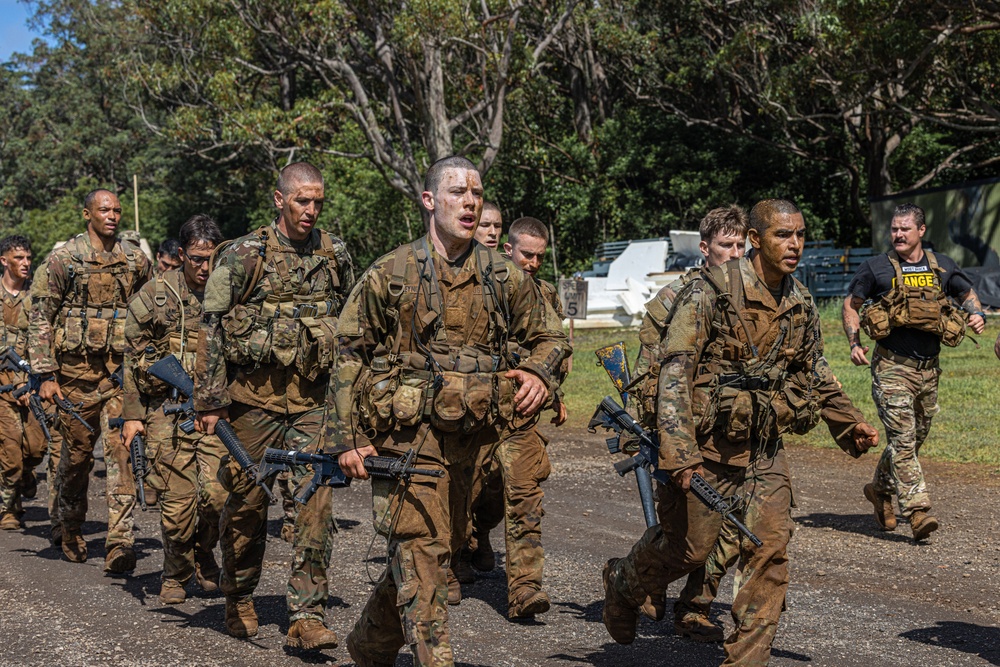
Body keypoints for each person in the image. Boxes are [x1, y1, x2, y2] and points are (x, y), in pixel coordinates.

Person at [601, 199, 880, 666]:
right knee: (688, 551)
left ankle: (746, 659)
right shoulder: (709, 292)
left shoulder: (800, 302)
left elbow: (815, 372)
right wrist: (679, 451)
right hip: (707, 448)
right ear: (755, 239)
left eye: (800, 235)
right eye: (781, 235)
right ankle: (625, 583)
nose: (794, 245)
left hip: (765, 448)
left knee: (769, 551)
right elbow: (675, 370)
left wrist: (847, 423)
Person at [329, 156, 569, 667]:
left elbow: (550, 336)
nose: (470, 201)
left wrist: (539, 373)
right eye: (457, 192)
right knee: (419, 550)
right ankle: (435, 658)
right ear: (429, 200)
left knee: (439, 551)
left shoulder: (503, 276)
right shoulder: (390, 273)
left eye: (476, 193)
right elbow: (347, 351)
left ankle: (370, 643)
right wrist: (347, 438)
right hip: (406, 438)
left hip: (473, 444)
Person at [193, 162, 353, 650]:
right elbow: (212, 328)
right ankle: (238, 593)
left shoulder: (334, 253)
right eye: (302, 201)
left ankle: (306, 616)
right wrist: (211, 402)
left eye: (318, 202)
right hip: (251, 404)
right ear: (279, 200)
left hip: (311, 404)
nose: (311, 210)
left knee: (314, 504)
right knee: (246, 503)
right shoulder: (242, 255)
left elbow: (349, 329)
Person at [629, 205, 748, 641]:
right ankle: (643, 582)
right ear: (704, 248)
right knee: (682, 531)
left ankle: (695, 607)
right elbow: (650, 367)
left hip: (734, 431)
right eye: (725, 245)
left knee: (730, 527)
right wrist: (656, 433)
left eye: (740, 244)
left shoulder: (752, 295)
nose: (734, 253)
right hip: (685, 432)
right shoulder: (677, 296)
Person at [843, 203, 986, 541]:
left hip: (928, 371)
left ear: (921, 231)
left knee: (912, 440)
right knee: (903, 440)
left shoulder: (943, 267)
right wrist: (854, 342)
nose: (898, 234)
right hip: (892, 368)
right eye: (894, 229)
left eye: (905, 229)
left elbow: (967, 293)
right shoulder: (876, 268)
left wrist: (975, 313)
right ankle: (918, 510)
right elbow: (852, 304)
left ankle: (879, 490)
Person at [28, 189, 152, 570]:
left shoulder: (135, 259)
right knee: (76, 460)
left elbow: (152, 309)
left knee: (121, 456)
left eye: (117, 210)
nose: (113, 215)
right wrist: (45, 375)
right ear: (87, 214)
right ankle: (69, 526)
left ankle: (120, 541)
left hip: (119, 377)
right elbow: (40, 316)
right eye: (105, 210)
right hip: (74, 380)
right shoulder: (64, 260)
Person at [456, 216, 569, 618]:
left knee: (523, 494)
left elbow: (557, 351)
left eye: (541, 256)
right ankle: (463, 548)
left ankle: (524, 588)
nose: (534, 263)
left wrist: (552, 392)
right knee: (468, 491)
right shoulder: (477, 287)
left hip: (518, 414)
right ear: (509, 250)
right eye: (528, 255)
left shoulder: (545, 296)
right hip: (474, 410)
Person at [121, 215, 227, 604]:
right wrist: (133, 416)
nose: (204, 267)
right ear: (181, 254)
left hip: (215, 411)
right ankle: (176, 571)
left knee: (217, 494)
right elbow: (131, 359)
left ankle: (205, 551)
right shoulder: (154, 295)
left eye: (211, 259)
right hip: (166, 411)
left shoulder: (228, 292)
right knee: (177, 504)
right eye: (197, 259)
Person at [0, 236, 53, 531]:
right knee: (9, 452)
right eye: (19, 258)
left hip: (31, 383)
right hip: (2, 386)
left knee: (35, 449)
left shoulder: (37, 297)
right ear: (4, 260)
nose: (26, 264)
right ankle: (9, 510)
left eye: (29, 258)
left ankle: (26, 474)